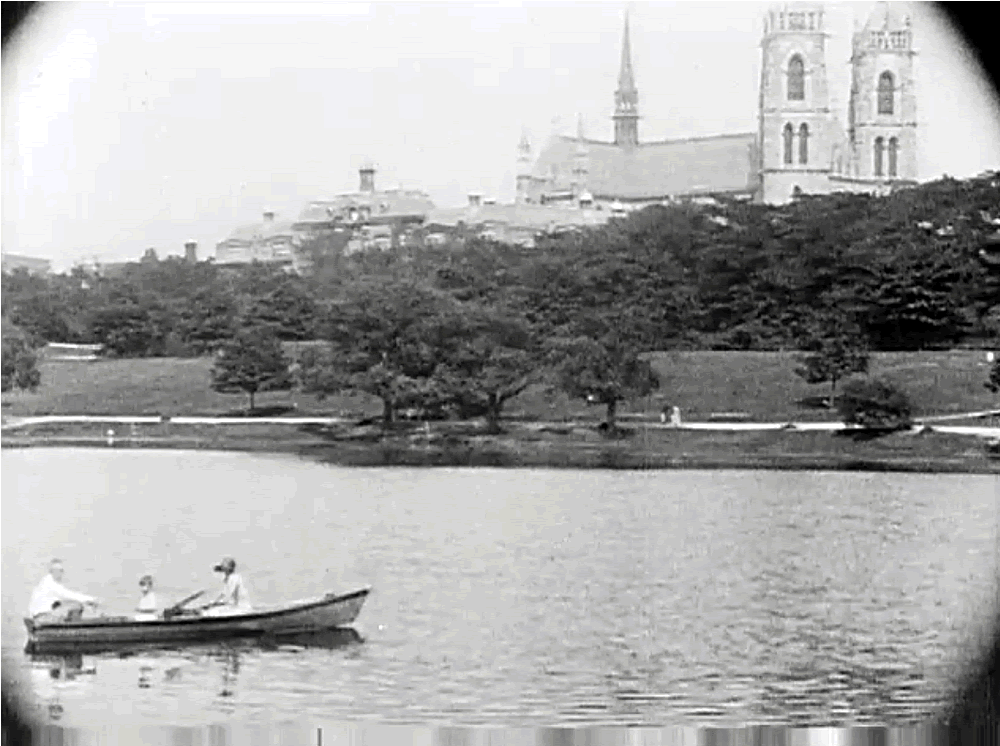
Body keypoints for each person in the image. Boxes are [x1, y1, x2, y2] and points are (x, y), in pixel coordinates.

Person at [29, 559, 99, 623]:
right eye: (60, 570)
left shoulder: (45, 582)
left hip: (39, 617)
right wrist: (91, 599)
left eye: (62, 570)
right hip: (43, 618)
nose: (62, 573)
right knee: (76, 606)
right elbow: (69, 595)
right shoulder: (51, 584)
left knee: (73, 605)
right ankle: (75, 630)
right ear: (52, 571)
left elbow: (62, 600)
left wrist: (86, 603)